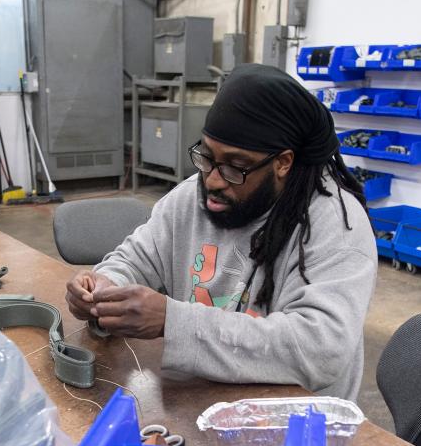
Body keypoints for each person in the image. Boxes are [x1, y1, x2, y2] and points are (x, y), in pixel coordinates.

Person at [65, 64, 377, 401]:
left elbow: (321, 350)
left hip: (292, 423)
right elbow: (137, 257)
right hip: (201, 400)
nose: (212, 179)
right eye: (207, 157)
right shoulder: (192, 196)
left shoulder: (335, 226)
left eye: (235, 167)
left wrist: (173, 322)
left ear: (283, 163)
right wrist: (105, 287)